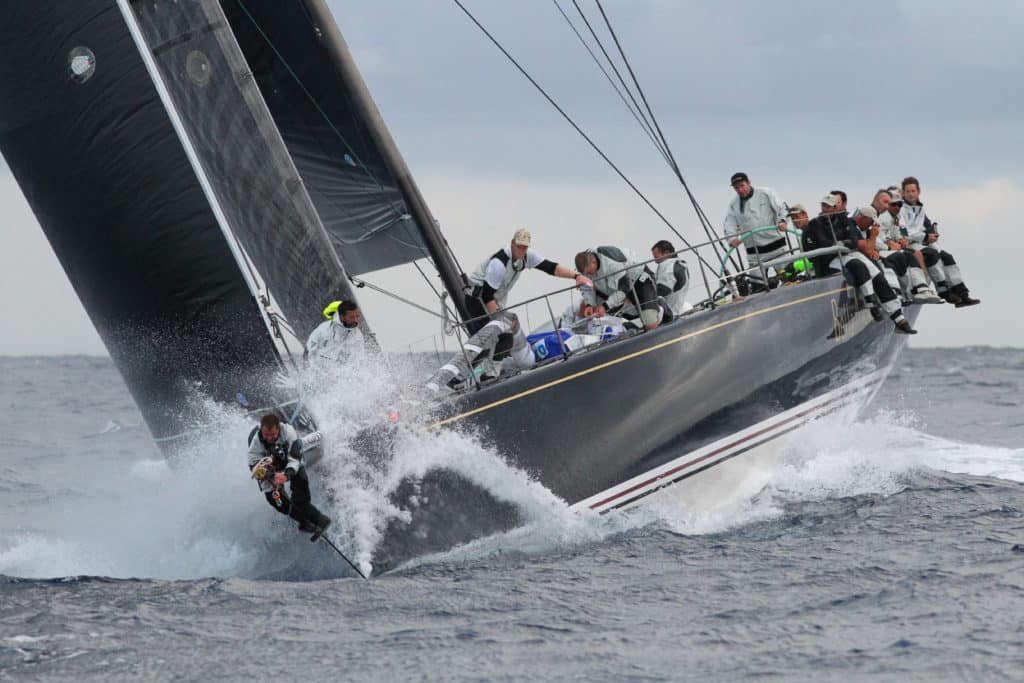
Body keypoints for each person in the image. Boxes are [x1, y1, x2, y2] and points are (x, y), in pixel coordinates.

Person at [802, 197, 916, 334]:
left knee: (878, 277)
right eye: (824, 206)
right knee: (858, 266)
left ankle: (899, 319)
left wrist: (843, 243)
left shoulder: (844, 220)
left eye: (829, 206)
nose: (826, 209)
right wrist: (840, 244)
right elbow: (820, 245)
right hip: (831, 259)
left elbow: (854, 240)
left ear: (834, 208)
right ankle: (871, 302)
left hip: (849, 253)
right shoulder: (814, 225)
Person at [465, 228, 592, 335]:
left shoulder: (527, 255)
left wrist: (576, 276)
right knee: (494, 336)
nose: (521, 250)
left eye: (524, 247)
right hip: (477, 299)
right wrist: (500, 320)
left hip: (495, 299)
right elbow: (487, 296)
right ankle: (482, 362)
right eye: (519, 246)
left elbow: (551, 267)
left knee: (503, 336)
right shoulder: (499, 263)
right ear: (512, 243)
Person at [898, 176, 980, 307]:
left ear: (919, 192)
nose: (911, 194)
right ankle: (943, 290)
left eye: (913, 191)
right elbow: (904, 233)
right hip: (910, 245)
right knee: (932, 255)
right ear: (903, 193)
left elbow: (925, 226)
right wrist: (925, 237)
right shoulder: (901, 209)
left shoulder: (920, 209)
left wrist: (932, 234)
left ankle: (962, 294)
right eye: (908, 191)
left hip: (922, 242)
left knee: (947, 257)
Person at [247, 413, 330, 538]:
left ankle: (321, 520)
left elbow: (295, 461)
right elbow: (254, 467)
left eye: (273, 435)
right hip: (271, 469)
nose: (269, 438)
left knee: (301, 493)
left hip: (291, 460)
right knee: (276, 501)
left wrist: (286, 475)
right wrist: (268, 475)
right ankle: (303, 521)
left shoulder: (288, 433)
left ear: (278, 430)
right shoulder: (255, 445)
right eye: (266, 435)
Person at [868, 189, 940, 303]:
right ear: (875, 200)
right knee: (907, 256)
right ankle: (916, 290)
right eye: (888, 203)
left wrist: (900, 240)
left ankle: (919, 289)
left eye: (899, 204)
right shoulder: (872, 214)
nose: (896, 207)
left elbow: (892, 234)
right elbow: (873, 237)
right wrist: (889, 245)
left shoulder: (891, 217)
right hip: (875, 251)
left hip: (883, 249)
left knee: (911, 255)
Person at [723, 172, 792, 290]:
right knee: (757, 289)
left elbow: (783, 207)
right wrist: (732, 238)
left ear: (749, 182)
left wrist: (782, 221)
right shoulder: (733, 204)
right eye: (736, 188)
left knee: (791, 279)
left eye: (742, 185)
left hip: (778, 248)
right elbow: (729, 224)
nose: (740, 189)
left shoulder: (766, 192)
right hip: (754, 254)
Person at [574, 246, 661, 330]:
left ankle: (661, 308)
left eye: (589, 272)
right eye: (585, 273)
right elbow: (587, 287)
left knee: (650, 324)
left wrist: (605, 306)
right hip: (613, 289)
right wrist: (589, 304)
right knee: (604, 318)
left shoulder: (612, 263)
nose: (588, 275)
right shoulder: (585, 269)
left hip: (638, 281)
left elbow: (623, 290)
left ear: (594, 262)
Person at [650, 240, 690, 320]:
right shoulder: (681, 264)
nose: (655, 261)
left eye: (657, 257)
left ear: (667, 253)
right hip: (677, 311)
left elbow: (663, 290)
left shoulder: (668, 265)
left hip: (667, 315)